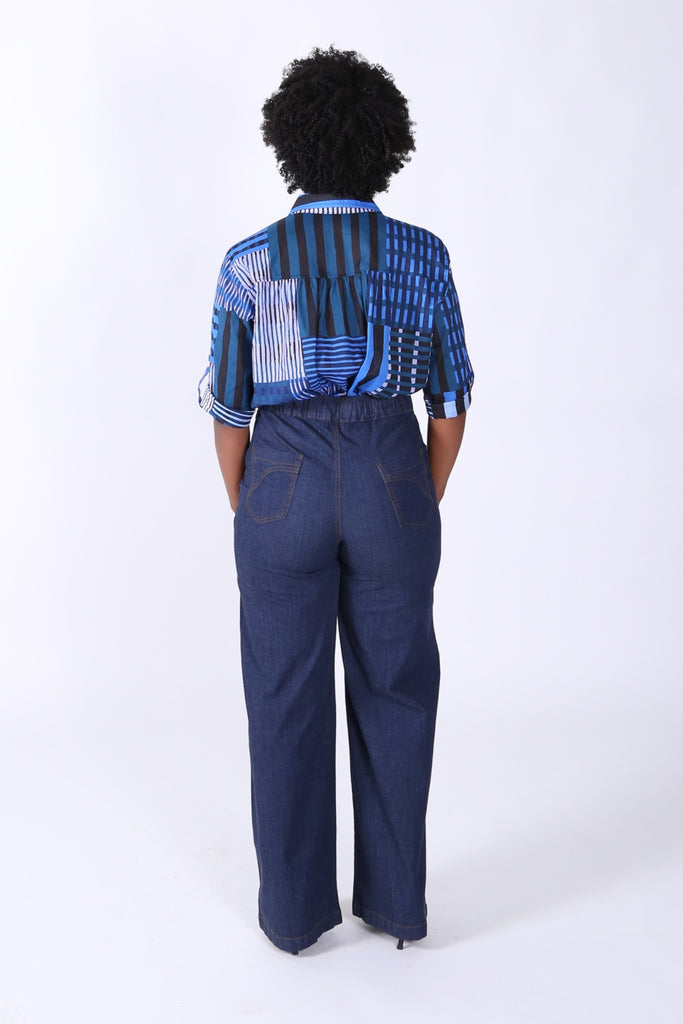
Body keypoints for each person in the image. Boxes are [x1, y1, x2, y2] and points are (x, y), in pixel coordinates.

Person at [197, 45, 474, 955]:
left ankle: (292, 920)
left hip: (280, 479)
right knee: (397, 689)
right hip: (393, 470)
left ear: (290, 144)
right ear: (386, 146)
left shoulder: (248, 262)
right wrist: (415, 496)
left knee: (283, 698)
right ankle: (395, 907)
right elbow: (449, 405)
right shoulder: (422, 255)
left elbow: (230, 411)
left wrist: (254, 504)